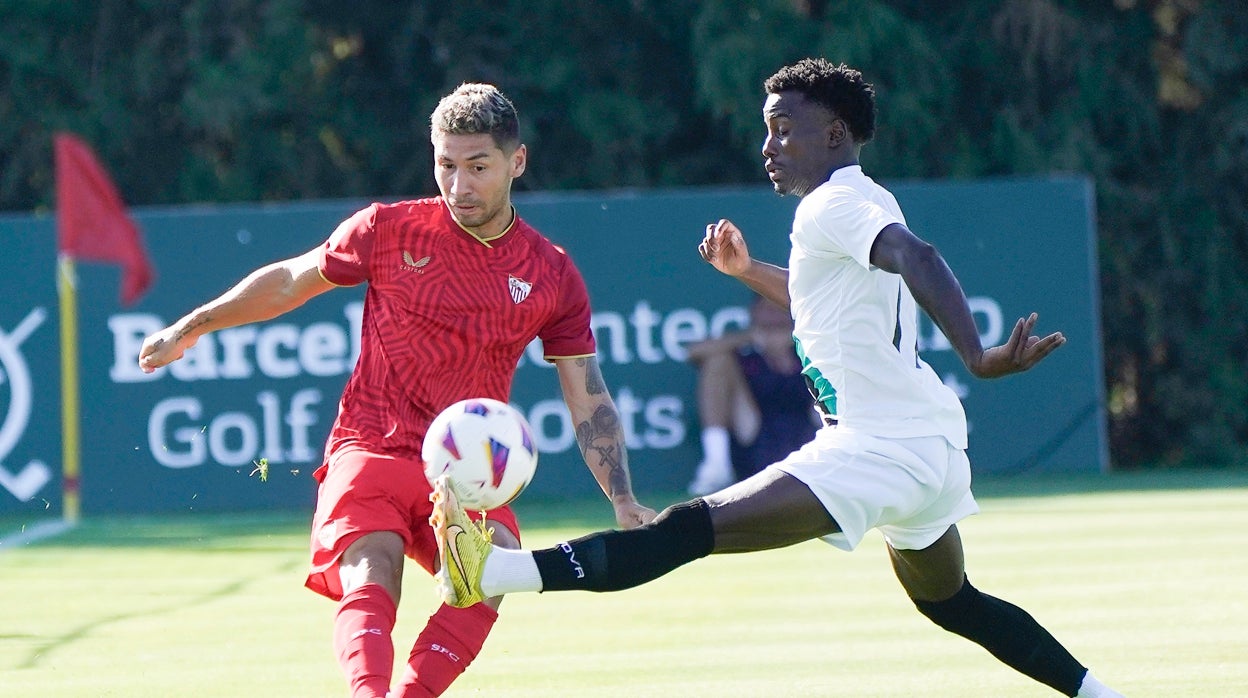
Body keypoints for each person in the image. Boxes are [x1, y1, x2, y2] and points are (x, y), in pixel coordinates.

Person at [430, 60, 1125, 698]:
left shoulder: (833, 204)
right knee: (952, 602)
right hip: (928, 446)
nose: (770, 146)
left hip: (876, 448)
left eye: (785, 130)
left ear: (836, 133)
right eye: (768, 131)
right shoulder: (854, 199)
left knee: (688, 528)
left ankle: (497, 573)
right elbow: (825, 299)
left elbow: (920, 256)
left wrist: (977, 354)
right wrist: (747, 272)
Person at [137, 83, 656, 698]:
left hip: (468, 472)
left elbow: (586, 395)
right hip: (371, 445)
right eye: (446, 165)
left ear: (517, 162)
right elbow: (289, 281)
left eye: (478, 167)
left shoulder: (550, 271)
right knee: (371, 568)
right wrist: (190, 327)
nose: (459, 186)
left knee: (494, 575)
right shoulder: (388, 229)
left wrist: (622, 498)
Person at [685, 295, 820, 495]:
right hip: (755, 435)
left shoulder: (809, 348)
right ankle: (717, 467)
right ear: (754, 313)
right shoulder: (746, 356)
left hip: (810, 434)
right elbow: (693, 352)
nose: (774, 318)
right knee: (717, 362)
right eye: (767, 311)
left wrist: (795, 339)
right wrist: (751, 337)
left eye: (779, 310)